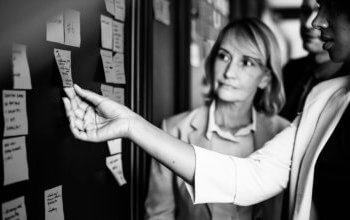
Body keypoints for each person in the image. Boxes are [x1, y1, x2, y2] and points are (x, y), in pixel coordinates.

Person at [62, 0, 350, 218]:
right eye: (223, 56)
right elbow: (248, 178)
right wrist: (130, 124)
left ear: (266, 77)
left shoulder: (279, 127)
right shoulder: (323, 99)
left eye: (331, 6)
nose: (316, 21)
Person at [144, 19, 289, 220]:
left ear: (265, 78)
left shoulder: (284, 134)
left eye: (246, 62)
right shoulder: (175, 130)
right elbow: (159, 214)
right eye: (224, 56)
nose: (229, 72)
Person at [280, 0, 343, 121]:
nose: (308, 24)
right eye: (305, 11)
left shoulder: (345, 81)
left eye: (321, 12)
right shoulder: (289, 71)